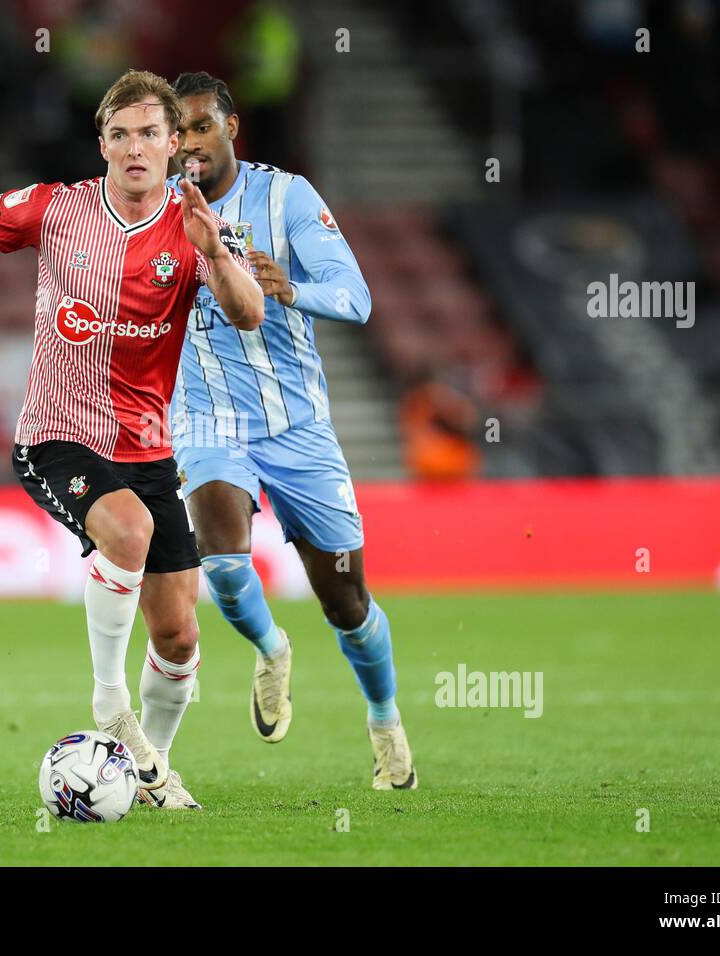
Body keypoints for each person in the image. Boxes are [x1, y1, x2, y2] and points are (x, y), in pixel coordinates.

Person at [0, 69, 263, 810]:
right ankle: (109, 702)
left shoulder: (197, 223)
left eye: (150, 134)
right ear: (101, 144)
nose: (135, 148)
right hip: (57, 436)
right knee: (130, 532)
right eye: (121, 135)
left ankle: (152, 771)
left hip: (148, 448)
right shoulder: (57, 209)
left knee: (177, 637)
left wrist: (217, 253)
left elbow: (249, 314)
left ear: (175, 145)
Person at [168, 72, 416, 789]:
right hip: (207, 418)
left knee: (346, 600)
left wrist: (291, 290)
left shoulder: (288, 197)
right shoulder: (152, 207)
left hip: (297, 423)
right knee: (220, 558)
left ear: (231, 128)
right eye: (177, 131)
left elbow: (357, 298)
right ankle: (271, 648)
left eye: (201, 127)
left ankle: (383, 717)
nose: (189, 145)